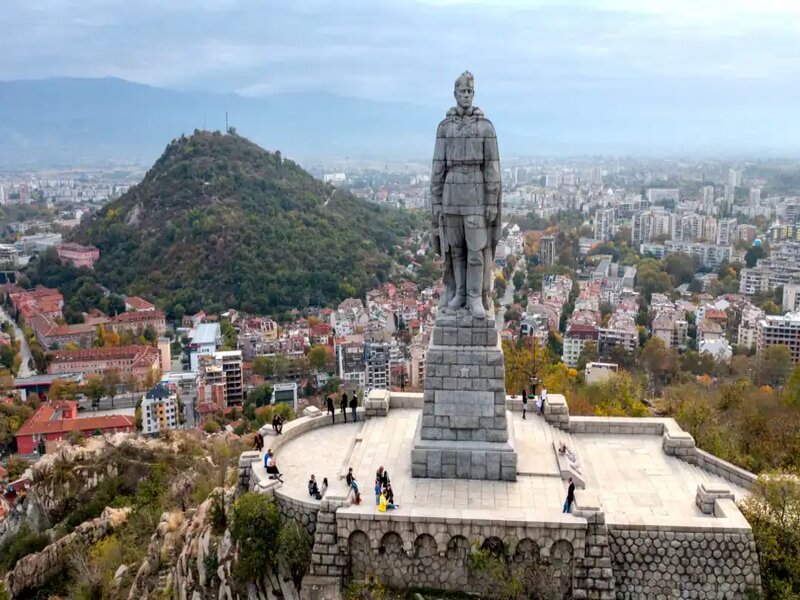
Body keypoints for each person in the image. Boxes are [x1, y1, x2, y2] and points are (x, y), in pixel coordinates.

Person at [430, 71, 501, 319]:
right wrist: (436, 201)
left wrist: (491, 200)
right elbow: (438, 167)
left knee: (476, 251)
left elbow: (492, 167)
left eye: (470, 91)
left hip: (475, 195)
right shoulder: (445, 128)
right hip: (451, 194)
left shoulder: (485, 128)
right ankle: (459, 292)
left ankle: (474, 296)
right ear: (455, 94)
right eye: (462, 91)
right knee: (455, 250)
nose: (466, 95)